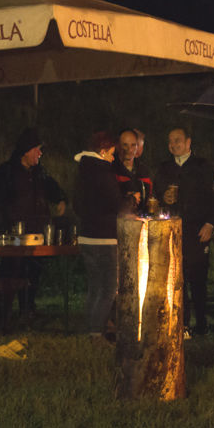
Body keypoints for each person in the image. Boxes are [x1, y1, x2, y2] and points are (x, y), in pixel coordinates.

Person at [0, 128, 67, 323]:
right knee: (11, 272)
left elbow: (53, 188)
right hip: (14, 234)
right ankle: (5, 313)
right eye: (36, 149)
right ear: (26, 150)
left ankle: (28, 309)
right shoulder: (6, 172)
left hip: (37, 233)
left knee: (33, 272)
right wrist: (4, 224)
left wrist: (61, 199)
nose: (40, 153)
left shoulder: (40, 173)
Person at [152, 127, 214, 336]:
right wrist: (163, 198)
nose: (173, 145)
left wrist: (210, 223)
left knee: (198, 278)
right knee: (177, 278)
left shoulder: (202, 166)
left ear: (188, 142)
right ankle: (183, 323)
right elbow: (156, 195)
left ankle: (202, 323)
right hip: (173, 229)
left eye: (178, 140)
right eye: (170, 141)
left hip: (197, 230)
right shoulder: (164, 168)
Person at [74, 131, 124, 344]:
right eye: (111, 153)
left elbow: (77, 204)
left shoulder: (82, 171)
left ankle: (92, 330)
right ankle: (96, 332)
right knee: (109, 287)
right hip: (105, 238)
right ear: (102, 152)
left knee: (94, 286)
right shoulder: (103, 172)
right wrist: (130, 202)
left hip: (86, 236)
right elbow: (116, 203)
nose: (113, 158)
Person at [113, 128, 152, 212]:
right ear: (118, 146)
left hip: (140, 218)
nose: (129, 149)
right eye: (125, 145)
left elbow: (151, 198)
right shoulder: (111, 170)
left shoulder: (144, 171)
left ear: (138, 146)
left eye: (133, 145)